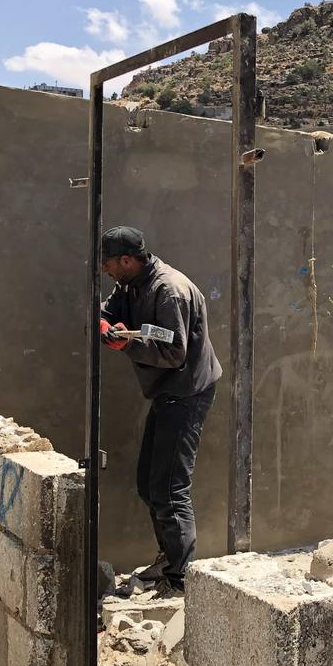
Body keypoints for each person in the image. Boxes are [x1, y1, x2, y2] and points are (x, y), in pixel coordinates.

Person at [100, 226, 222, 592]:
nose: (105, 270)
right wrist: (105, 324)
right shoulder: (130, 284)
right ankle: (170, 560)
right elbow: (109, 310)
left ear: (126, 260)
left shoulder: (169, 291)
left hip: (186, 394)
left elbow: (173, 353)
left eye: (108, 264)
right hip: (167, 393)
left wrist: (125, 345)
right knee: (149, 484)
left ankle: (180, 580)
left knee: (170, 490)